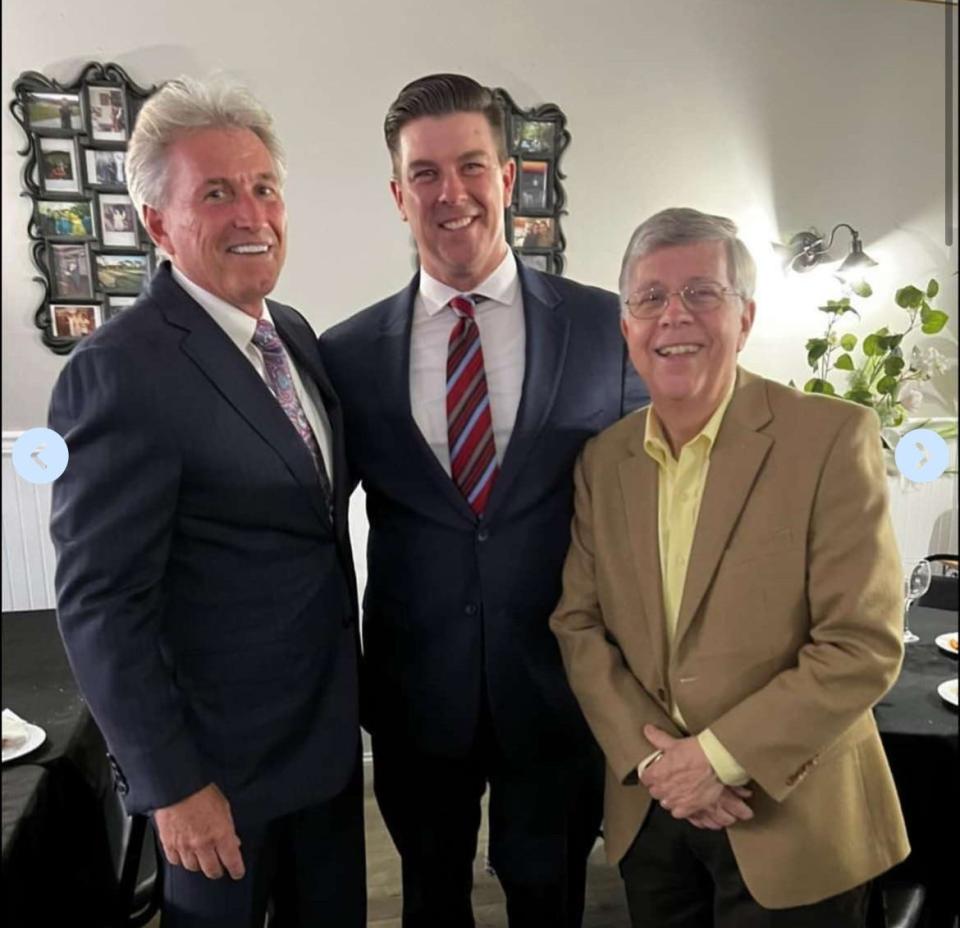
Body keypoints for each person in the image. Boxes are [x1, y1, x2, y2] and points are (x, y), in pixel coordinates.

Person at [319, 73, 647, 928]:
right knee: (430, 895)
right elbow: (309, 528)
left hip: (556, 683)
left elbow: (655, 501)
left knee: (550, 895)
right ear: (398, 195)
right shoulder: (346, 355)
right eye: (425, 174)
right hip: (413, 686)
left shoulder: (603, 331)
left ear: (508, 176)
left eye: (470, 166)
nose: (450, 192)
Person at [49, 76, 365, 928]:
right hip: (216, 781)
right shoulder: (120, 370)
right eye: (216, 193)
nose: (251, 214)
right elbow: (100, 605)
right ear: (159, 223)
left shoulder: (290, 333)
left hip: (324, 755)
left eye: (264, 188)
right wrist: (173, 786)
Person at [549, 207, 909, 927]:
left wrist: (714, 758)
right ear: (627, 328)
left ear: (744, 318)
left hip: (793, 818)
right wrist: (658, 765)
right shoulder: (603, 461)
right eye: (650, 298)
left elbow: (860, 646)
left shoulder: (830, 438)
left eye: (702, 293)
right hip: (653, 816)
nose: (673, 316)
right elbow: (579, 624)